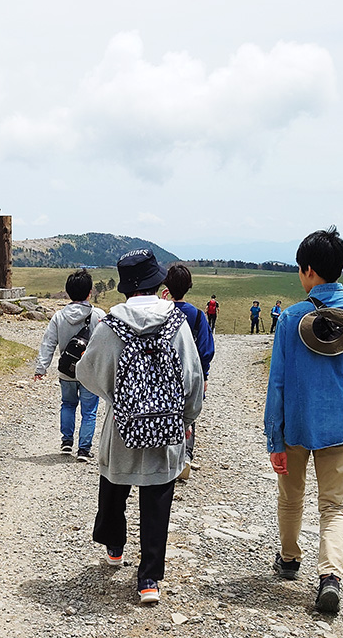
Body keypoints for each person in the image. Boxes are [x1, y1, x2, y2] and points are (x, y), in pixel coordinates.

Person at [264, 226, 343, 614]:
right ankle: (330, 577)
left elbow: (278, 383)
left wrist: (274, 439)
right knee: (333, 506)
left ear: (309, 270)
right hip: (340, 425)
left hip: (296, 426)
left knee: (291, 497)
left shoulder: (289, 319)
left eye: (300, 270)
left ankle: (288, 559)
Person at [77, 250, 203, 605]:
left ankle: (115, 546)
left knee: (114, 485)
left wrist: (119, 398)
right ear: (157, 282)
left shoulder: (109, 325)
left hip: (123, 426)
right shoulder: (176, 322)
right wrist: (186, 419)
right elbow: (191, 376)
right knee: (157, 498)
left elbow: (87, 372)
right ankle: (148, 579)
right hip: (166, 427)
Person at [34, 269, 105, 462]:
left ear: (67, 292)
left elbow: (48, 343)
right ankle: (84, 449)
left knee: (68, 404)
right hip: (90, 373)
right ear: (90, 292)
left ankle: (66, 441)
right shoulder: (99, 315)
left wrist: (41, 368)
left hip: (67, 371)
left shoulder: (59, 316)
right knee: (89, 411)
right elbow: (106, 344)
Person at [162, 264, 214, 480]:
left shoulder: (162, 313)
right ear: (189, 286)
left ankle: (165, 457)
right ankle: (186, 458)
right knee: (188, 416)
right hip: (191, 375)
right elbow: (206, 350)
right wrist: (205, 375)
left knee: (165, 414)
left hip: (163, 376)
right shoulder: (199, 316)